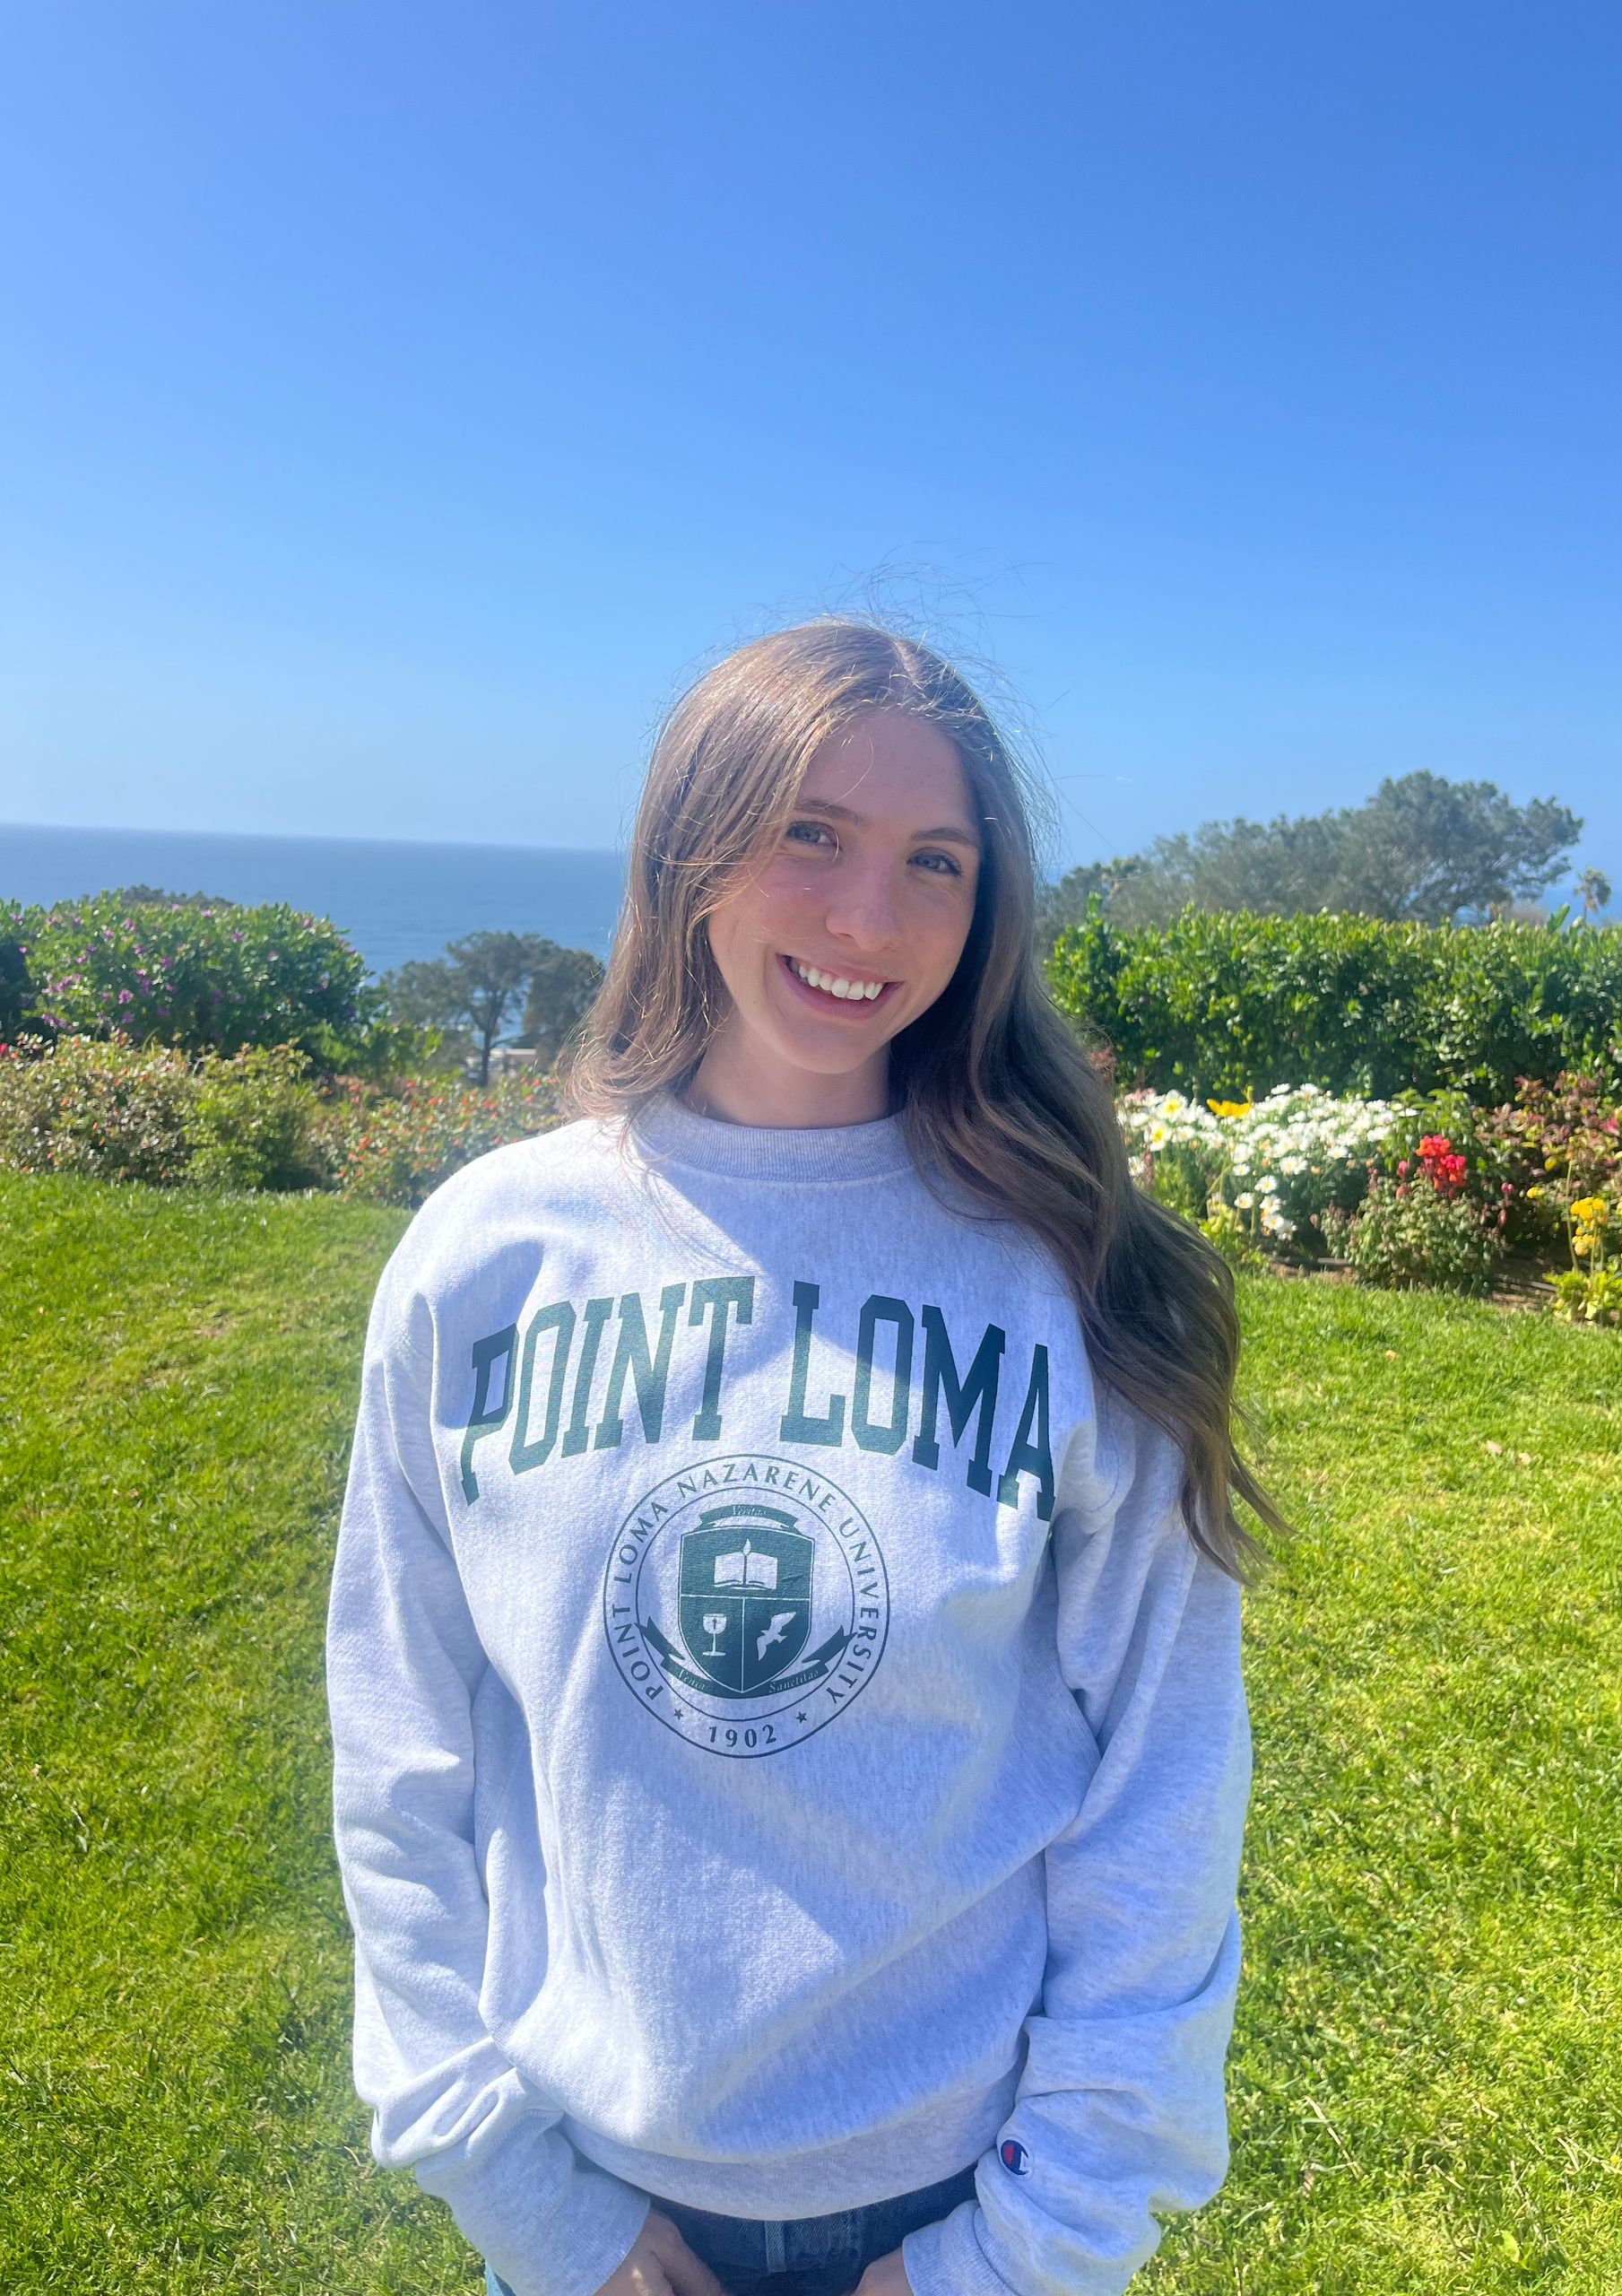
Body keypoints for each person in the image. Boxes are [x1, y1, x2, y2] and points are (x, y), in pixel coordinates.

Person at [325, 620, 1286, 2296]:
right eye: (810, 835)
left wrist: (1028, 2247)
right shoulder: (486, 1256)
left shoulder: (1068, 1276)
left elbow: (1163, 1802)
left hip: (952, 2221)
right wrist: (526, 2205)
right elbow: (401, 1759)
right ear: (689, 847)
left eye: (936, 861)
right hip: (586, 2205)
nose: (869, 921)